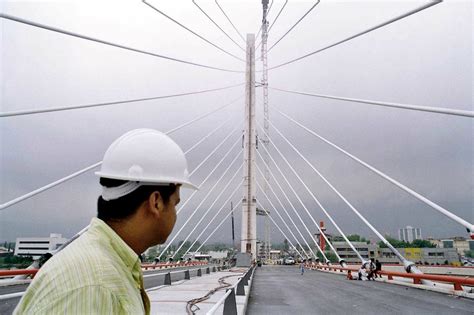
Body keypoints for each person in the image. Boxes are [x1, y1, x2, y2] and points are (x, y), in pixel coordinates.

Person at [14, 129, 197, 315]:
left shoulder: (105, 267)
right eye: (175, 204)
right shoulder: (93, 287)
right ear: (156, 202)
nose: (175, 213)